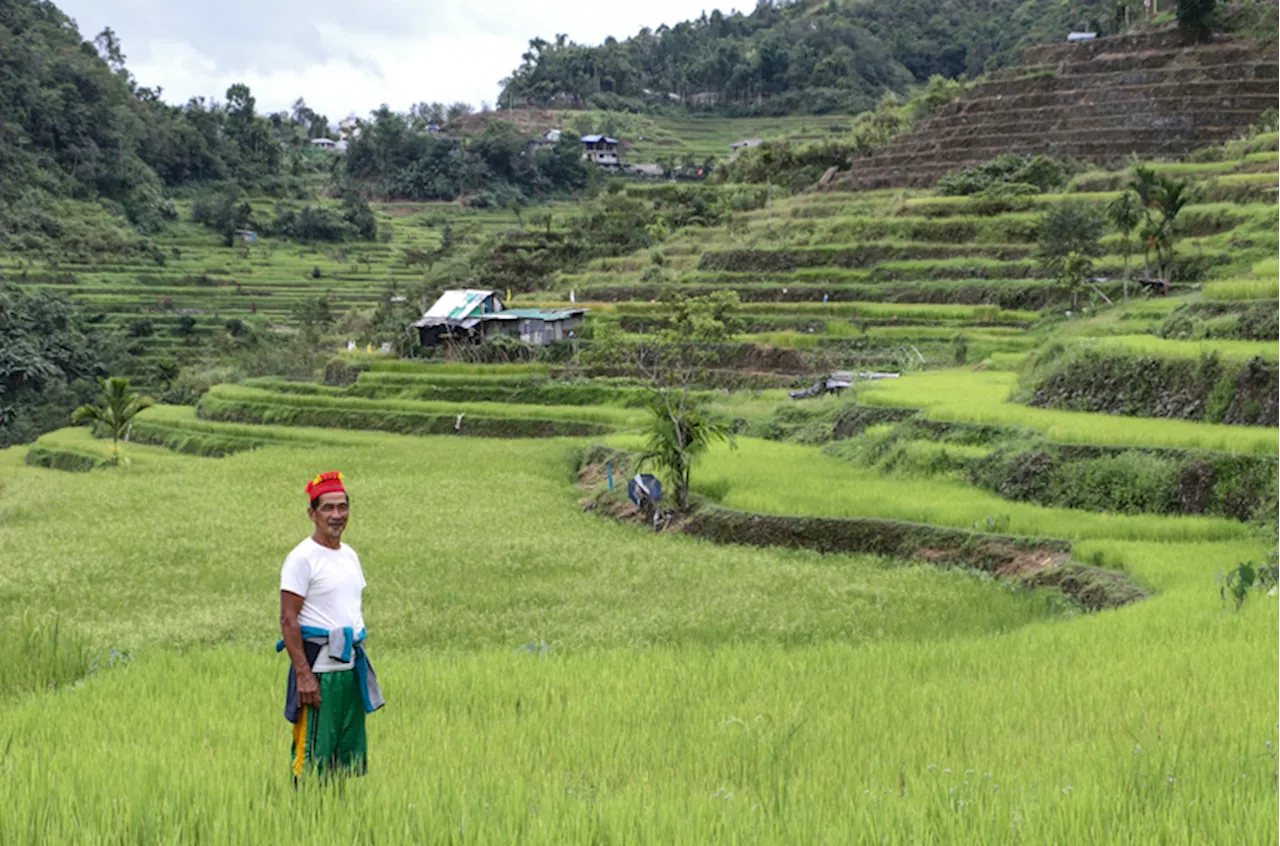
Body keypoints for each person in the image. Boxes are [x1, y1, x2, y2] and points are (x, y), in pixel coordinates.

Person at [278, 471, 384, 781]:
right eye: (327, 508)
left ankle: (341, 817)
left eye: (342, 507)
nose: (336, 515)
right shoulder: (302, 559)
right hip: (318, 674)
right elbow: (288, 619)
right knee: (313, 756)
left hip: (350, 672)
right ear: (312, 514)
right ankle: (305, 817)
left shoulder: (350, 556)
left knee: (349, 757)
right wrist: (304, 675)